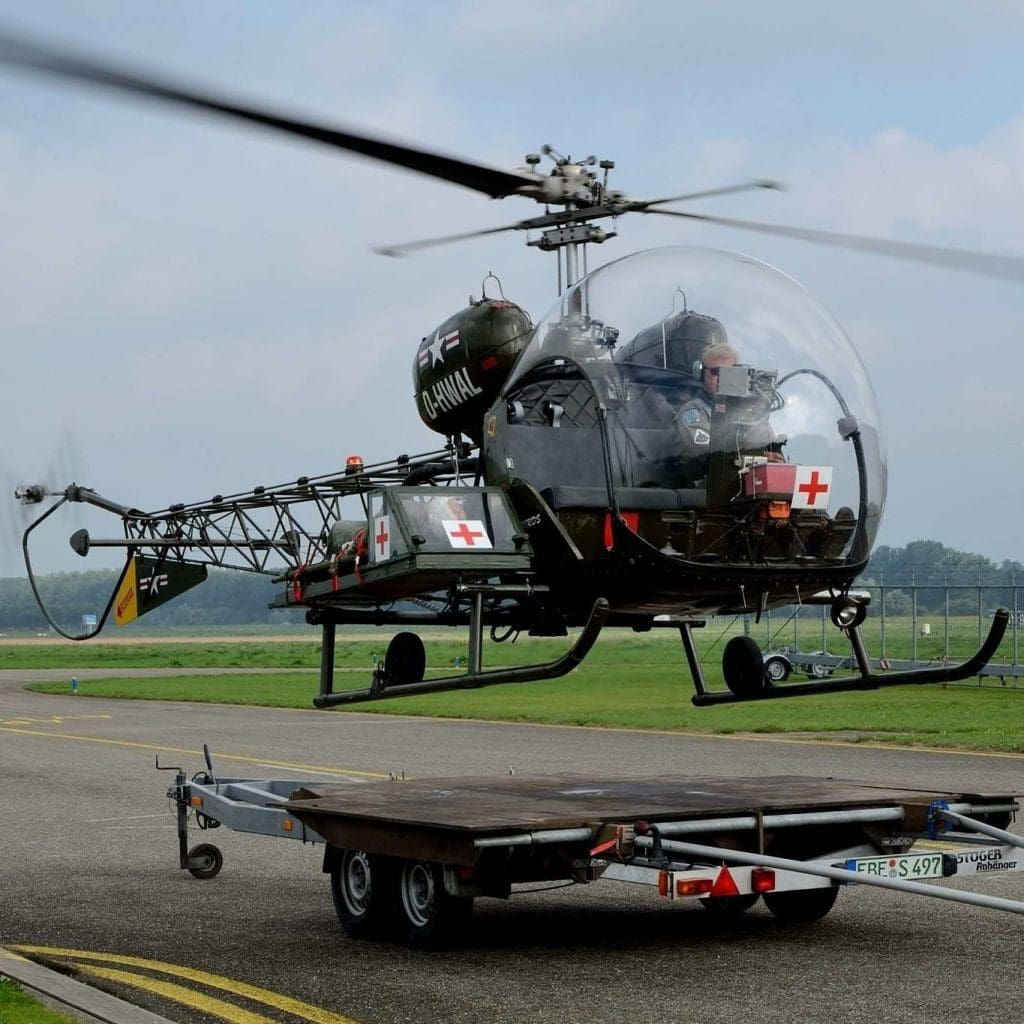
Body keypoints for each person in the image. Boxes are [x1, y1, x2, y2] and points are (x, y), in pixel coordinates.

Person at [675, 341, 782, 484]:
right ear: (701, 374)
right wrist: (758, 458)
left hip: (745, 486)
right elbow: (712, 455)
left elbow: (772, 450)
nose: (723, 378)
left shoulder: (752, 414)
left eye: (730, 372)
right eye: (716, 372)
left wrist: (776, 460)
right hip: (706, 489)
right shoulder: (692, 413)